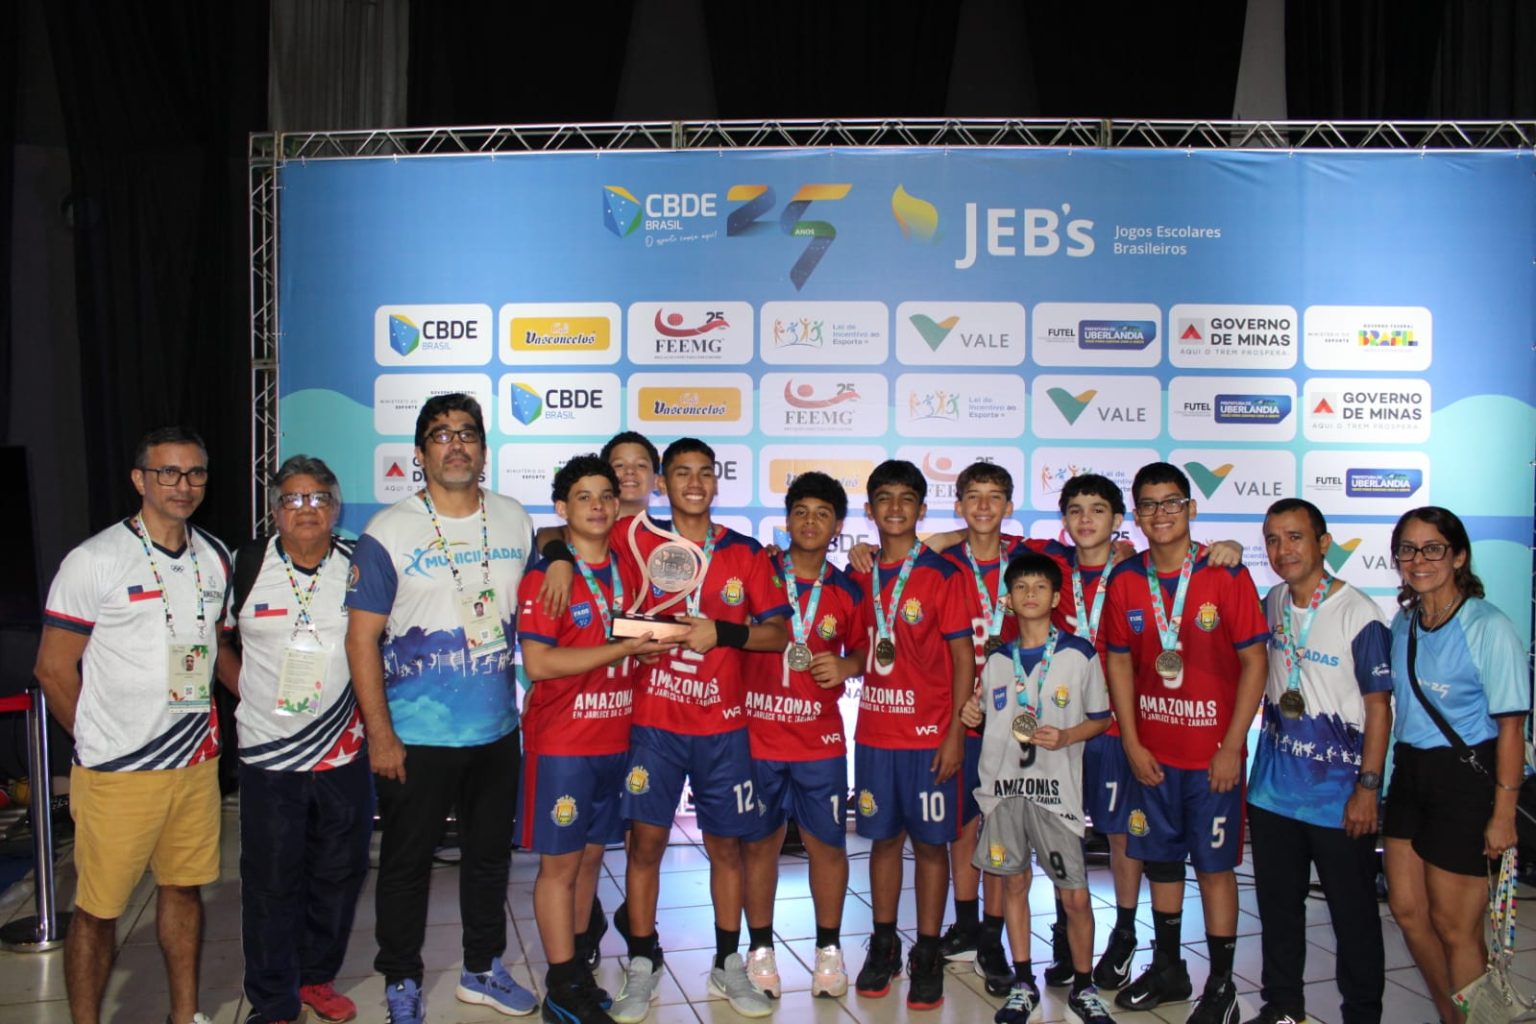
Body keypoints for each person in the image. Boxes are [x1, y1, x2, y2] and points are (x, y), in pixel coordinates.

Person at [344, 394, 538, 1024]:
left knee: (489, 860)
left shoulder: (513, 519)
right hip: (415, 735)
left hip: (496, 730)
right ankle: (401, 977)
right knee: (405, 865)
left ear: (483, 449)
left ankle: (482, 968)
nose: (456, 444)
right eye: (440, 434)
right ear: (420, 453)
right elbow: (361, 640)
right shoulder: (388, 531)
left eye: (467, 433)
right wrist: (380, 734)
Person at [34, 426, 232, 1024]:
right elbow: (52, 669)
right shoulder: (95, 560)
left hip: (194, 765)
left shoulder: (214, 556)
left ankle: (184, 1015)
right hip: (118, 773)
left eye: (195, 472)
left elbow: (215, 647)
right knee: (98, 911)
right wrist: (100, 742)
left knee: (184, 890)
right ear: (139, 479)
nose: (183, 485)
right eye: (168, 472)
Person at [604, 438, 790, 1023]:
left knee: (725, 847)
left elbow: (778, 634)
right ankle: (642, 961)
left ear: (716, 482)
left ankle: (728, 961)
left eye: (704, 473)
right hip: (655, 721)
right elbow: (571, 550)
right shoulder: (635, 537)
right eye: (681, 473)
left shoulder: (745, 552)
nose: (693, 483)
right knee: (646, 845)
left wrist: (723, 632)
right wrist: (637, 639)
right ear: (662, 483)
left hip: (723, 725)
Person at [1101, 462, 1269, 1023]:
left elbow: (1255, 662)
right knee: (1162, 863)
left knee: (1214, 868)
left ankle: (1221, 986)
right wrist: (1131, 741)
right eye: (1149, 505)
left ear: (1191, 508)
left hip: (1211, 758)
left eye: (1171, 502)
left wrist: (1232, 746)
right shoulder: (1126, 580)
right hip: (1153, 756)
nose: (1161, 514)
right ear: (1136, 515)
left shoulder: (1225, 575)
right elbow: (1118, 663)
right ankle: (1170, 968)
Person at [516, 456, 674, 1024]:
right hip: (563, 743)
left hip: (615, 740)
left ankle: (577, 970)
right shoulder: (546, 576)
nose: (599, 506)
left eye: (606, 495)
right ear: (563, 508)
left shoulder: (628, 570)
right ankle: (561, 986)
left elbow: (631, 632)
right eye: (583, 497)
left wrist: (649, 647)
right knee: (559, 867)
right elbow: (539, 663)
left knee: (588, 862)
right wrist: (623, 649)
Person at [217, 455, 371, 1024]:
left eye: (318, 498)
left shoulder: (359, 565)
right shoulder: (246, 564)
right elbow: (215, 641)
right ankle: (273, 998)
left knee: (340, 873)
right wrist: (250, 691)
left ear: (335, 508)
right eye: (293, 499)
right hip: (268, 755)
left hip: (343, 751)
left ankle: (316, 978)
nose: (306, 509)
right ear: (276, 512)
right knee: (270, 882)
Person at [1243, 497, 1390, 1024]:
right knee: (1278, 911)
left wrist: (1368, 789)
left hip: (1339, 801)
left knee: (1354, 918)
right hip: (1272, 794)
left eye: (1295, 537)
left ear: (1323, 543)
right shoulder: (1272, 602)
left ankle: (1362, 1015)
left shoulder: (1360, 614)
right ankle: (1283, 1007)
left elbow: (1379, 709)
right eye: (1273, 539)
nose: (1283, 549)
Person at [1382, 506, 1528, 1024]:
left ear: (1459, 556)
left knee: (1455, 926)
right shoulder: (1404, 623)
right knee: (1407, 911)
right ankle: (1454, 1016)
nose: (1418, 560)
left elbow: (1512, 728)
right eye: (1407, 549)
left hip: (1465, 780)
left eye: (1433, 549)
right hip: (1409, 773)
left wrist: (1503, 815)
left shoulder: (1488, 626)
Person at [959, 551, 1114, 1024]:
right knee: (1014, 885)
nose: (1030, 594)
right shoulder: (996, 660)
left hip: (1057, 795)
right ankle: (1023, 982)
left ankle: (1084, 987)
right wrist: (970, 712)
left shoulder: (1079, 654)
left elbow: (1100, 718)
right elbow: (984, 716)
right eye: (1021, 587)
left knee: (1075, 895)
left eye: (1040, 587)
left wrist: (1067, 737)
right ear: (1008, 599)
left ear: (1056, 597)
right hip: (1005, 793)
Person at [848, 459, 978, 1010]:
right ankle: (884, 943)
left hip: (930, 736)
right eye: (884, 497)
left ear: (922, 510)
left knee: (930, 845)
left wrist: (954, 734)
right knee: (883, 841)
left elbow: (964, 658)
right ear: (870, 509)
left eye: (906, 498)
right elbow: (855, 648)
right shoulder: (858, 573)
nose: (895, 507)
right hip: (877, 733)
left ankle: (927, 949)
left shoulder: (943, 573)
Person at [740, 471, 867, 999]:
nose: (810, 522)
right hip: (757, 735)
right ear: (787, 520)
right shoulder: (758, 571)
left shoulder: (847, 589)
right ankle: (760, 949)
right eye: (801, 512)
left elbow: (865, 651)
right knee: (759, 847)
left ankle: (829, 951)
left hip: (819, 741)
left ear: (837, 526)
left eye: (822, 514)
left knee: (827, 847)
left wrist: (847, 667)